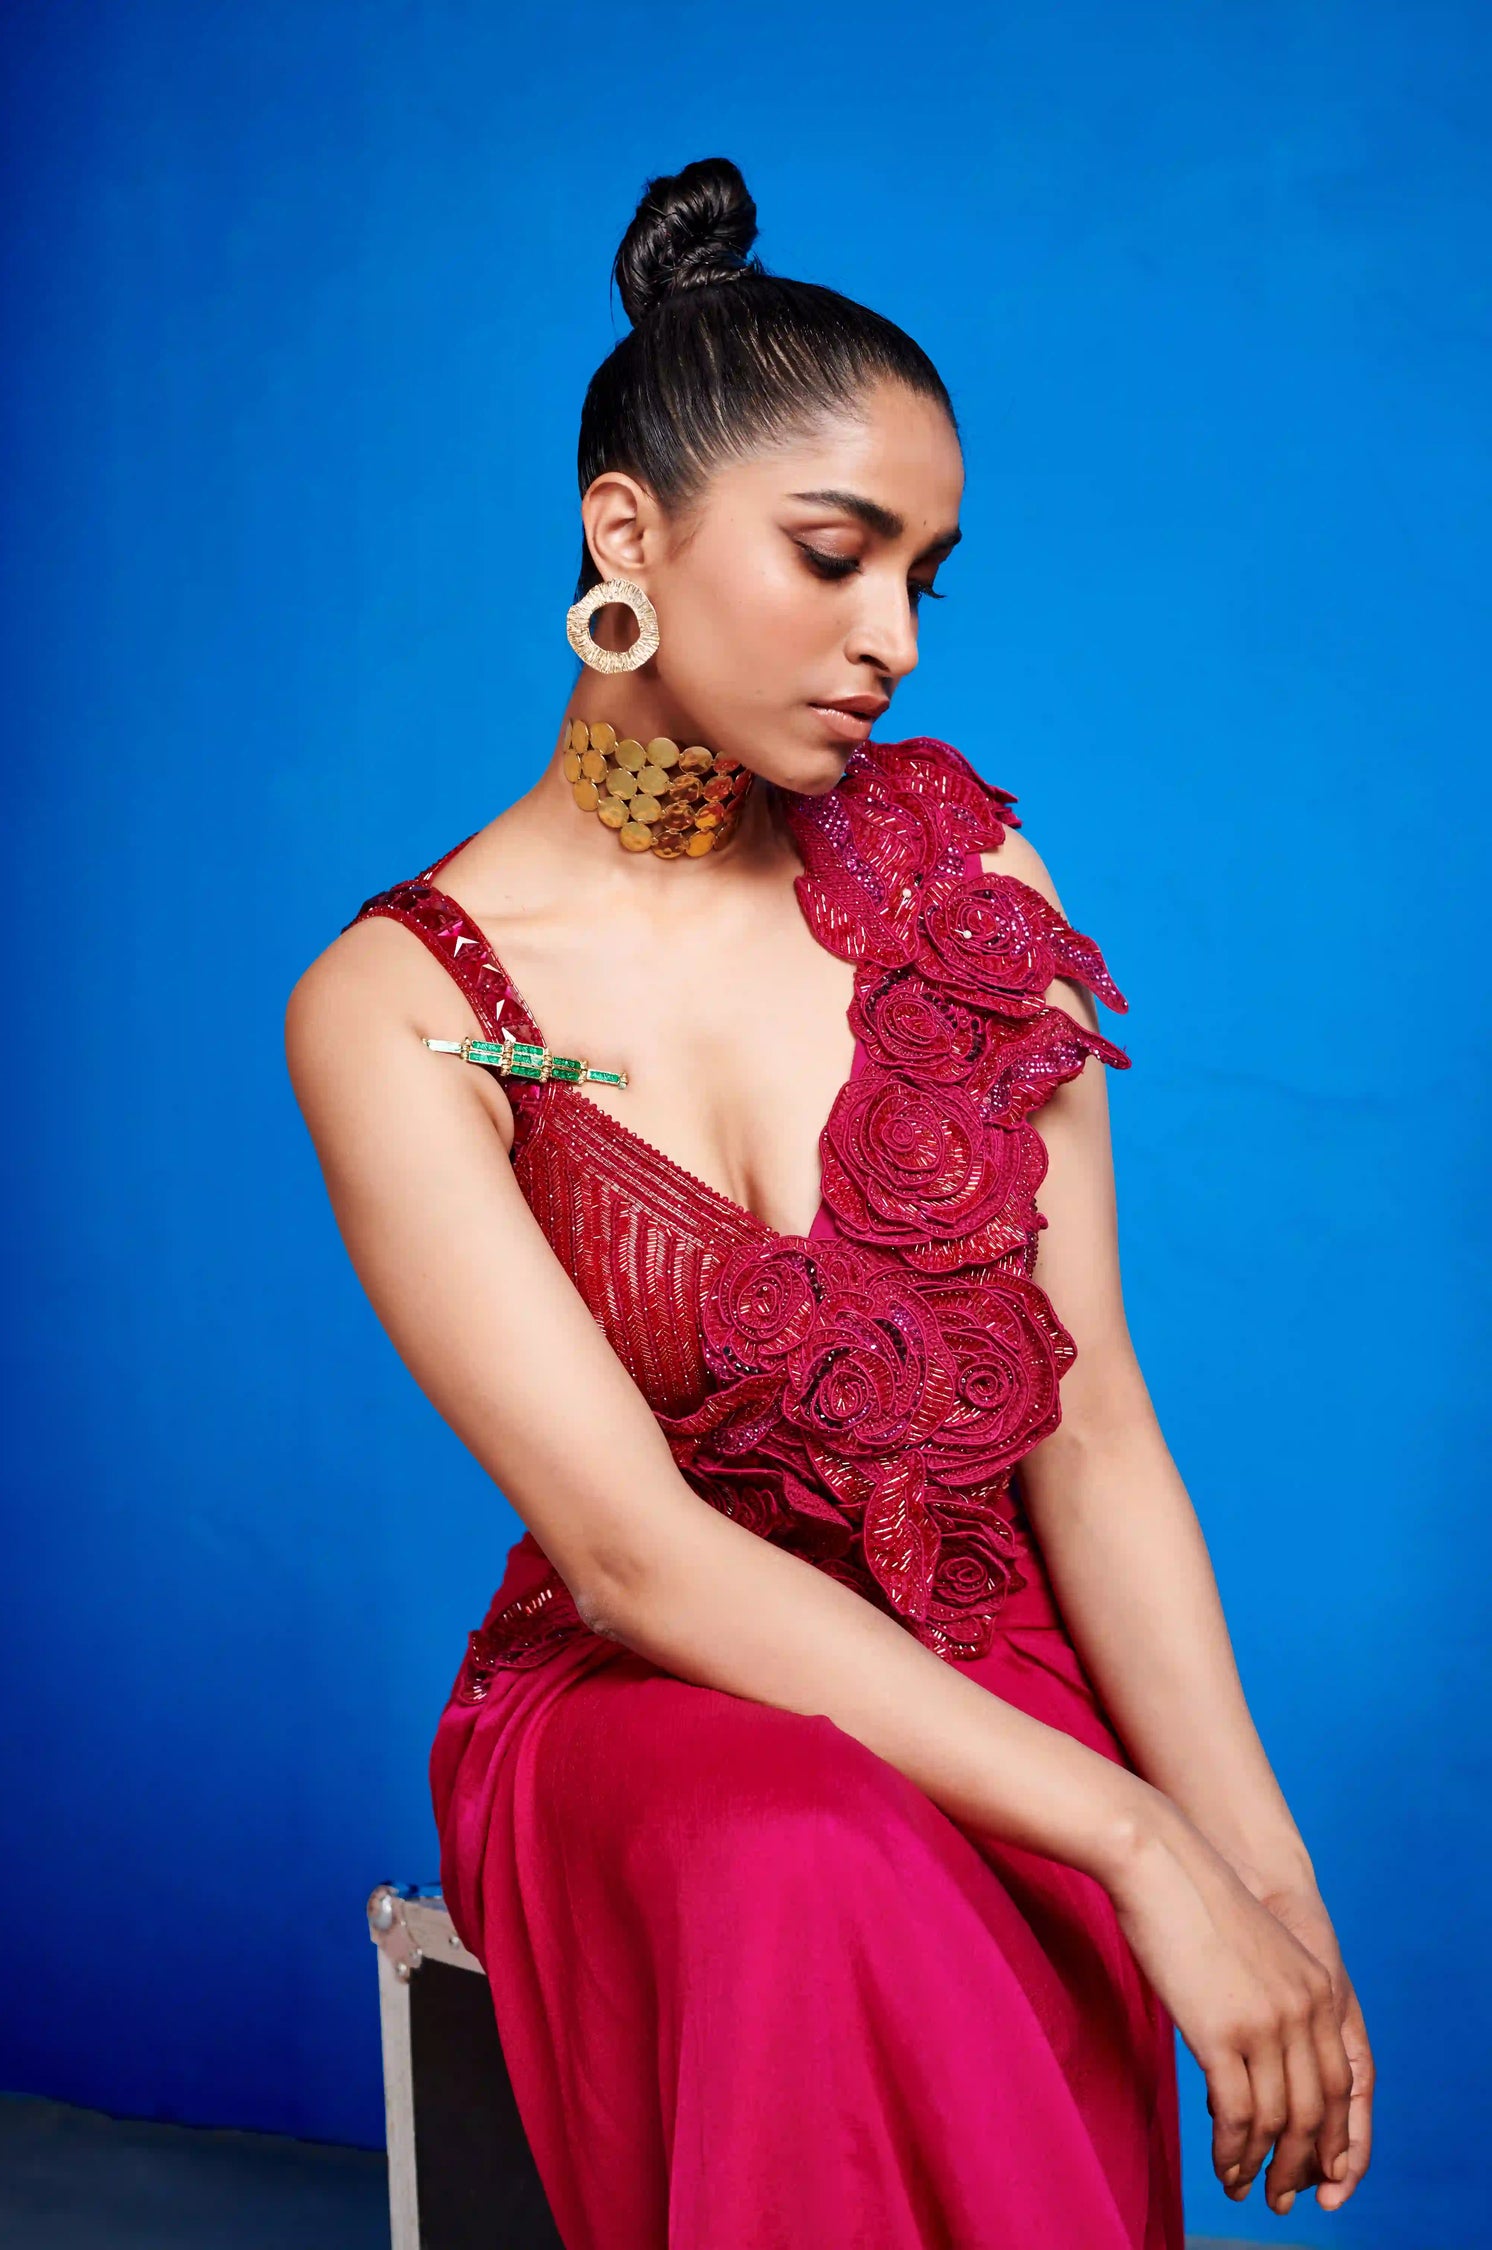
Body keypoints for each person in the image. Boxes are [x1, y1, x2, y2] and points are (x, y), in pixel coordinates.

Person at [286, 157, 1373, 2250]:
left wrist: (1262, 1866)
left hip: (994, 1669)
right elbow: (632, 1554)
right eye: (832, 553)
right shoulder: (403, 1006)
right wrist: (1136, 1839)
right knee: (813, 1851)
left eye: (925, 578)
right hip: (656, 1703)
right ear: (627, 534)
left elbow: (1094, 1430)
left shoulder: (968, 893)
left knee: (931, 1857)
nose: (891, 639)